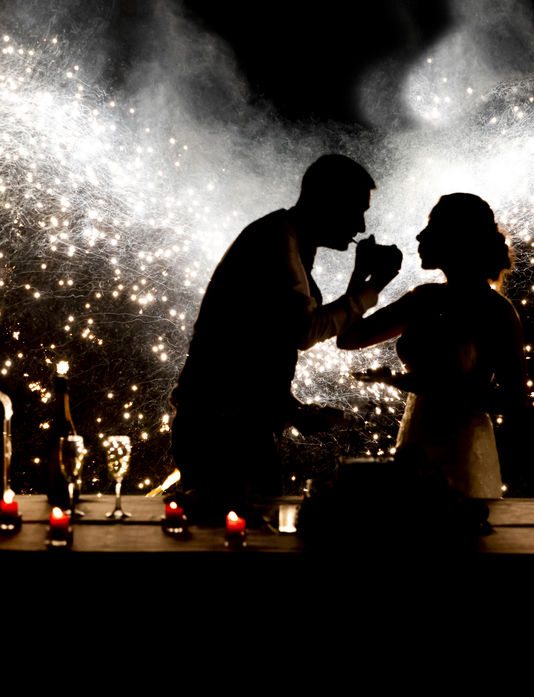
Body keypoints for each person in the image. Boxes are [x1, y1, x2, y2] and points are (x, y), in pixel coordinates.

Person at [170, 153, 402, 517]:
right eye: (356, 210)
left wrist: (292, 409)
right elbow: (304, 330)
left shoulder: (287, 239)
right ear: (327, 201)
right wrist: (375, 286)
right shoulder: (276, 241)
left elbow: (255, 342)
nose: (360, 226)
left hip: (231, 425)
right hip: (221, 430)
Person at [337, 193, 526, 499]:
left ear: (458, 237)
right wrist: (367, 277)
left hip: (464, 450)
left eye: (431, 226)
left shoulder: (497, 312)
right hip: (415, 440)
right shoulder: (422, 299)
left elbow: (515, 402)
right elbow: (348, 339)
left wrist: (430, 386)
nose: (420, 235)